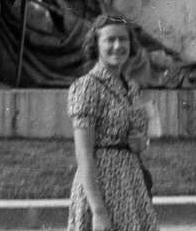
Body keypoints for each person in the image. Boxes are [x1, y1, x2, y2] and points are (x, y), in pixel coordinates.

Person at [68, 16, 156, 231]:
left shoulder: (132, 87)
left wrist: (141, 143)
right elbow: (84, 154)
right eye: (110, 40)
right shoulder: (87, 87)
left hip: (131, 185)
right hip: (102, 187)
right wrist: (98, 211)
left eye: (123, 40)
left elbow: (142, 135)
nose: (118, 46)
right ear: (95, 45)